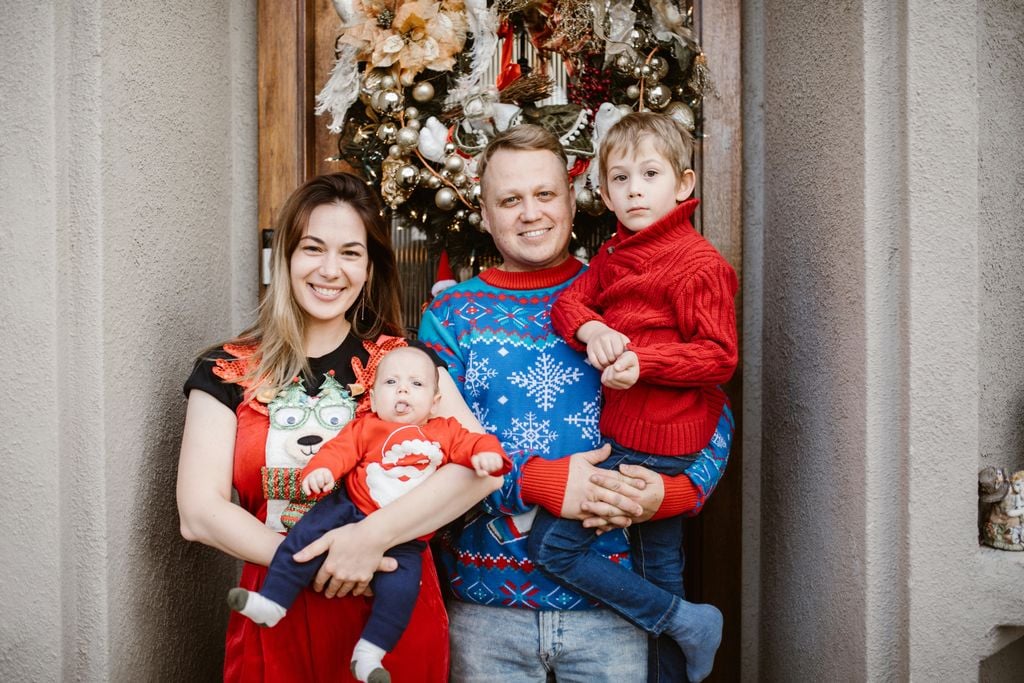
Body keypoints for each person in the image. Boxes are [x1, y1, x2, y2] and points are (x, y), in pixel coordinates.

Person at [416, 124, 733, 682]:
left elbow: (711, 408)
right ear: (485, 215)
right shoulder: (451, 316)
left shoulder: (624, 291)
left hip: (615, 615)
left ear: (573, 198)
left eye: (545, 194)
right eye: (509, 200)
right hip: (488, 615)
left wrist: (674, 491)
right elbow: (426, 444)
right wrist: (538, 482)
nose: (530, 213)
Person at [177, 172, 502, 682]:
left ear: (369, 267)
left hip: (389, 608)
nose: (331, 270)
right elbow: (198, 513)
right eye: (313, 248)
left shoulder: (403, 365)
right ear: (284, 257)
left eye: (350, 253)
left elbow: (482, 472)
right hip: (277, 607)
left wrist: (367, 542)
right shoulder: (226, 370)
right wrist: (318, 561)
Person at [528, 111, 738, 683]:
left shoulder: (698, 265)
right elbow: (570, 304)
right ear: (603, 190)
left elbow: (719, 356)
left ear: (683, 185)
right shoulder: (615, 255)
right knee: (659, 573)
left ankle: (686, 622)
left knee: (554, 547)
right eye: (619, 179)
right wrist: (594, 331)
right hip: (628, 435)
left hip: (663, 444)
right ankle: (683, 629)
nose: (634, 189)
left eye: (650, 174)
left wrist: (642, 363)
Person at [227, 346, 511, 682]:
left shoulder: (445, 431)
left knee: (401, 591)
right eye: (391, 382)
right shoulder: (367, 427)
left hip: (405, 536)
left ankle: (370, 653)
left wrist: (488, 456)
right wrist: (321, 472)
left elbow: (479, 444)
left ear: (435, 403)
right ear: (374, 399)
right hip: (349, 508)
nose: (403, 390)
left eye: (416, 385)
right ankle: (272, 603)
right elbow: (338, 452)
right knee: (302, 536)